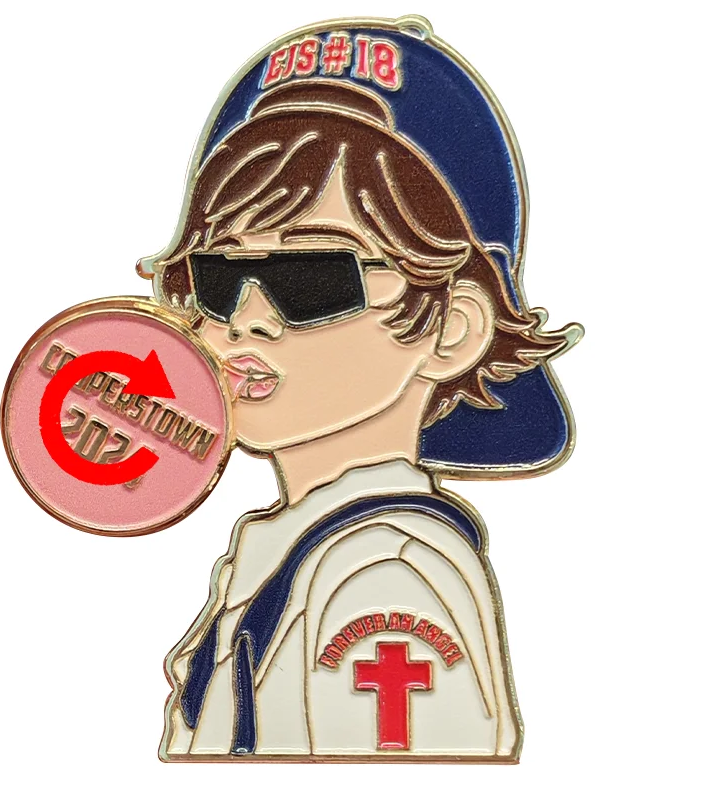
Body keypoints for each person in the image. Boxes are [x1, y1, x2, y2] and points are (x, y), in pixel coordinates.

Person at [142, 45, 581, 762]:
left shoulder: (383, 572)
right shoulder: (297, 549)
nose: (248, 320)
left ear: (452, 329)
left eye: (313, 278)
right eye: (218, 276)